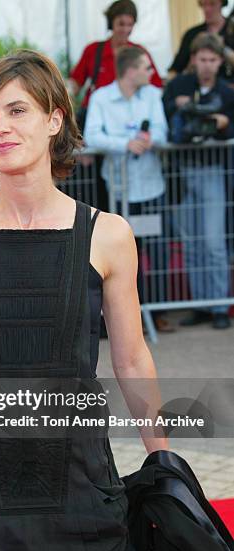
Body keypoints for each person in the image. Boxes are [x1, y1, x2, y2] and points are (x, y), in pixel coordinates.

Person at [0, 49, 169, 551]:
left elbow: (131, 360)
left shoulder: (107, 234)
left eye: (17, 110)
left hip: (80, 476)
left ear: (55, 119)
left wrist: (164, 463)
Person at [84, 46, 173, 333]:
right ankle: (123, 316)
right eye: (146, 67)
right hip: (118, 188)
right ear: (130, 70)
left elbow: (162, 130)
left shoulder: (152, 96)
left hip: (151, 185)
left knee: (156, 249)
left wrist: (149, 139)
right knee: (121, 253)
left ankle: (156, 310)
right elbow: (92, 136)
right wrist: (124, 144)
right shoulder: (101, 97)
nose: (151, 72)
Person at [163, 32, 234, 330]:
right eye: (202, 59)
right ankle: (200, 304)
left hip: (213, 171)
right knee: (191, 244)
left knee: (214, 242)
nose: (206, 65)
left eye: (212, 59)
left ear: (220, 61)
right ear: (193, 59)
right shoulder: (178, 86)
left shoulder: (228, 93)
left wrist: (221, 123)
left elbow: (229, 129)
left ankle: (219, 305)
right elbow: (166, 121)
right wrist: (178, 107)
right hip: (181, 172)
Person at [68, 0, 162, 117]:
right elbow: (75, 84)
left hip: (131, 114)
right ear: (110, 23)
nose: (126, 29)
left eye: (130, 25)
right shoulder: (93, 50)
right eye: (121, 24)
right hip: (96, 113)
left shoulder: (140, 52)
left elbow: (156, 87)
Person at [169, 0, 234, 83]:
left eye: (212, 4)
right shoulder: (192, 34)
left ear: (222, 4)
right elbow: (175, 69)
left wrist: (223, 48)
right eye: (203, 4)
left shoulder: (231, 31)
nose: (207, 9)